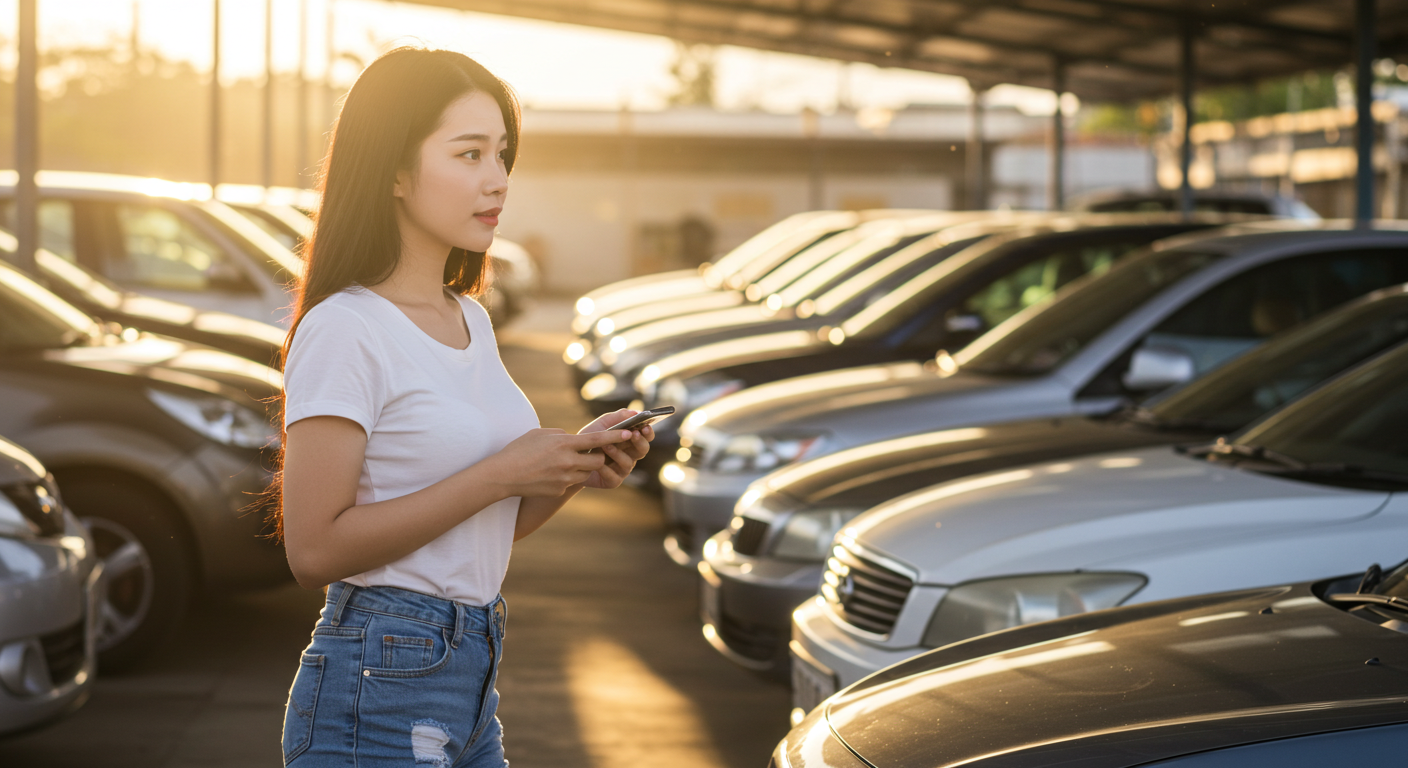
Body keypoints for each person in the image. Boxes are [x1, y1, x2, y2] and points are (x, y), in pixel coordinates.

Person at [274, 47, 653, 767]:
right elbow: (314, 550)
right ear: (392, 168)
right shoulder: (345, 327)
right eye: (470, 153)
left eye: (502, 154)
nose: (498, 180)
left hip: (470, 674)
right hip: (377, 685)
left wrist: (573, 465)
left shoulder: (468, 319)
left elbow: (481, 534)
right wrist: (504, 473)